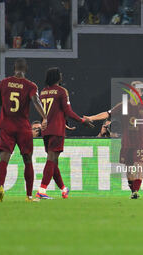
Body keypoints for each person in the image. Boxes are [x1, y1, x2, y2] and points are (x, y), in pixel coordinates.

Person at [85, 81, 143, 199]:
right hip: (127, 142)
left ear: (141, 93)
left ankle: (136, 191)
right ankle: (133, 190)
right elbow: (107, 114)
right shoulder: (122, 106)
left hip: (141, 142)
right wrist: (91, 118)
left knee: (139, 165)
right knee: (129, 169)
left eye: (137, 90)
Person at [36, 67, 94, 199]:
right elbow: (68, 111)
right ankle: (41, 190)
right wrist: (81, 120)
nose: (62, 76)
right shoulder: (61, 91)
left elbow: (49, 112)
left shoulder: (43, 92)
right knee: (51, 159)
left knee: (53, 161)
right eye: (60, 74)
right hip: (56, 130)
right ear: (57, 77)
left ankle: (63, 189)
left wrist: (64, 123)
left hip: (46, 130)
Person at [0, 58, 47, 202]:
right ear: (26, 69)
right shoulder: (30, 85)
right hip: (23, 127)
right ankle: (29, 196)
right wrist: (45, 117)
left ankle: (0, 187)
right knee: (27, 160)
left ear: (14, 68)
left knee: (4, 159)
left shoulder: (4, 83)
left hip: (7, 126)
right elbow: (36, 101)